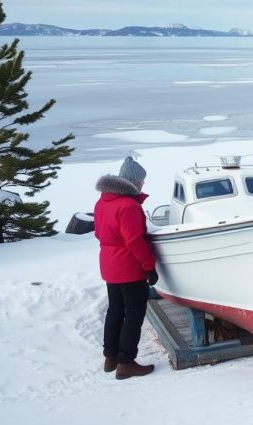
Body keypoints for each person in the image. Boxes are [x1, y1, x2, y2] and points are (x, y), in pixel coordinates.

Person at [94, 156, 159, 379]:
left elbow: (98, 233)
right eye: (141, 181)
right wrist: (149, 266)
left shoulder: (103, 202)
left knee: (115, 311)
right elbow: (134, 241)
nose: (142, 185)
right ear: (132, 182)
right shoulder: (129, 205)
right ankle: (126, 362)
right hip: (129, 268)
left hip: (109, 266)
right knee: (133, 314)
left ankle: (110, 357)